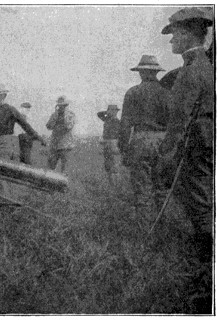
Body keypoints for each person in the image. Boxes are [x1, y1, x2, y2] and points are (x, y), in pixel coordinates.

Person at [158, 8, 214, 308]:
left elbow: (180, 118)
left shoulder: (192, 69)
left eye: (175, 35)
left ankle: (205, 270)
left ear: (190, 34)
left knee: (201, 205)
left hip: (196, 145)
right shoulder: (203, 65)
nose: (171, 42)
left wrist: (168, 152)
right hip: (203, 143)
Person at [118, 55, 170, 230]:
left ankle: (145, 233)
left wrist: (124, 148)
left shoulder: (132, 93)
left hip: (141, 140)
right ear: (156, 73)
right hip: (163, 140)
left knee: (142, 189)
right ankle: (163, 229)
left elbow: (125, 124)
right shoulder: (166, 93)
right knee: (161, 187)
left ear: (141, 72)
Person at [0, 84, 46, 162]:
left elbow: (25, 125)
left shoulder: (9, 110)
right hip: (0, 145)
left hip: (5, 145)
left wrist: (39, 138)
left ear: (4, 95)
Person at [46, 96, 76, 173]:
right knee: (50, 168)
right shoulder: (54, 115)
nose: (61, 107)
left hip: (66, 145)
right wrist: (55, 116)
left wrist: (64, 115)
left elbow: (68, 126)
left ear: (66, 106)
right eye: (60, 105)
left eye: (63, 105)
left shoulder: (71, 115)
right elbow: (49, 126)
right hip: (54, 144)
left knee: (65, 170)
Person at [97, 105, 121, 186]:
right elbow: (99, 114)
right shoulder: (107, 119)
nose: (113, 112)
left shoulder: (117, 121)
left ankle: (116, 184)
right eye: (111, 111)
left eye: (114, 111)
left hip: (114, 142)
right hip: (106, 142)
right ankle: (112, 184)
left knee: (114, 165)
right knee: (108, 165)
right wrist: (107, 112)